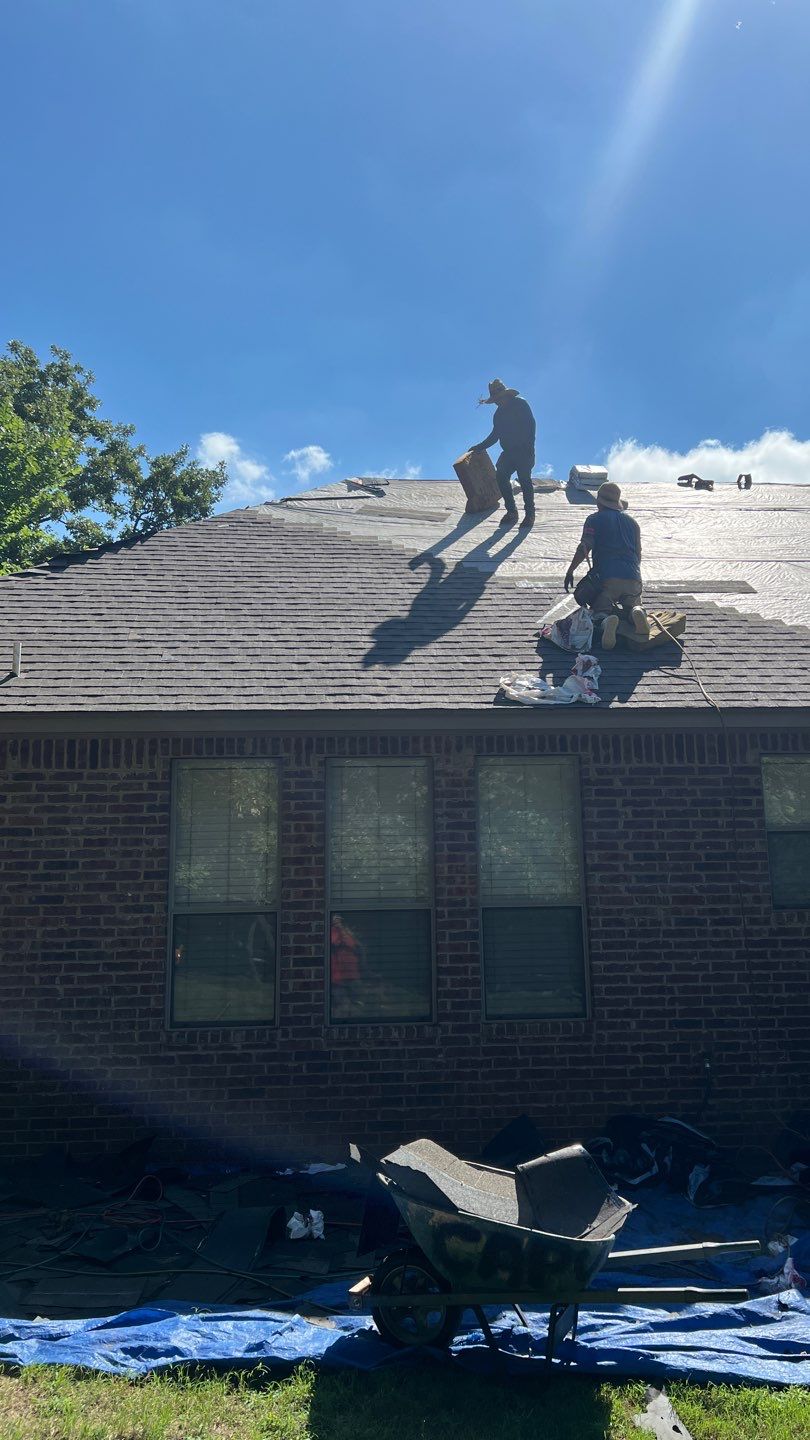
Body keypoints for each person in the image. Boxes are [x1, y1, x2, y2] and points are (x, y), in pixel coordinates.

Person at [564, 481, 650, 650]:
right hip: (633, 577)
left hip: (607, 578)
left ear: (599, 502)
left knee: (599, 611)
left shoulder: (594, 519)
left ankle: (606, 621)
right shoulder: (633, 523)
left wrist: (570, 570)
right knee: (632, 604)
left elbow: (585, 546)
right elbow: (638, 554)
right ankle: (636, 612)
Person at [470, 378, 537, 528]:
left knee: (524, 479)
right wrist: (479, 447)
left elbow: (531, 425)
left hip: (524, 450)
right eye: (495, 400)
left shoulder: (520, 404)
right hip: (509, 452)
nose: (497, 402)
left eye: (499, 399)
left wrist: (528, 446)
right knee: (501, 475)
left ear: (506, 395)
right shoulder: (498, 414)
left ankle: (530, 513)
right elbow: (495, 435)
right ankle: (511, 512)